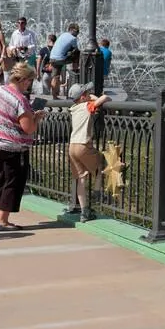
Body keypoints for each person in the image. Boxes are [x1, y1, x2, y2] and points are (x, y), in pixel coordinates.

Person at [0, 62, 41, 231]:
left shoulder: (2, 90)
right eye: (29, 81)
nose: (30, 84)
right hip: (11, 147)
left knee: (2, 181)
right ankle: (3, 221)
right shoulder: (20, 100)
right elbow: (29, 128)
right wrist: (37, 117)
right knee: (12, 183)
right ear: (23, 79)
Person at [65, 84, 111, 220]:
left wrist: (87, 96)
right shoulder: (87, 106)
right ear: (83, 97)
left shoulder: (73, 108)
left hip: (72, 147)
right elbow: (105, 98)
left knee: (81, 178)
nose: (89, 93)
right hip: (83, 145)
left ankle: (84, 212)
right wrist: (96, 97)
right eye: (87, 92)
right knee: (101, 163)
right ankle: (97, 192)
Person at [48, 23, 81, 97]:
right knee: (77, 53)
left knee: (55, 77)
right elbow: (76, 49)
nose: (77, 33)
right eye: (76, 31)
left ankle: (54, 96)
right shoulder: (73, 38)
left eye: (78, 32)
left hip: (52, 58)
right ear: (71, 30)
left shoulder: (63, 34)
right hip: (60, 59)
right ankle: (75, 70)